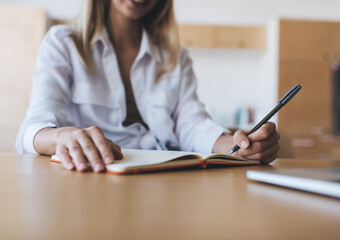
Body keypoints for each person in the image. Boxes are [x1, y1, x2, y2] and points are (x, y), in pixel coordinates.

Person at [16, 0, 280, 173]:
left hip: (163, 177)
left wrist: (240, 146)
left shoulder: (175, 58)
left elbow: (192, 124)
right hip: (93, 175)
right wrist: (62, 136)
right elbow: (32, 130)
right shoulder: (64, 44)